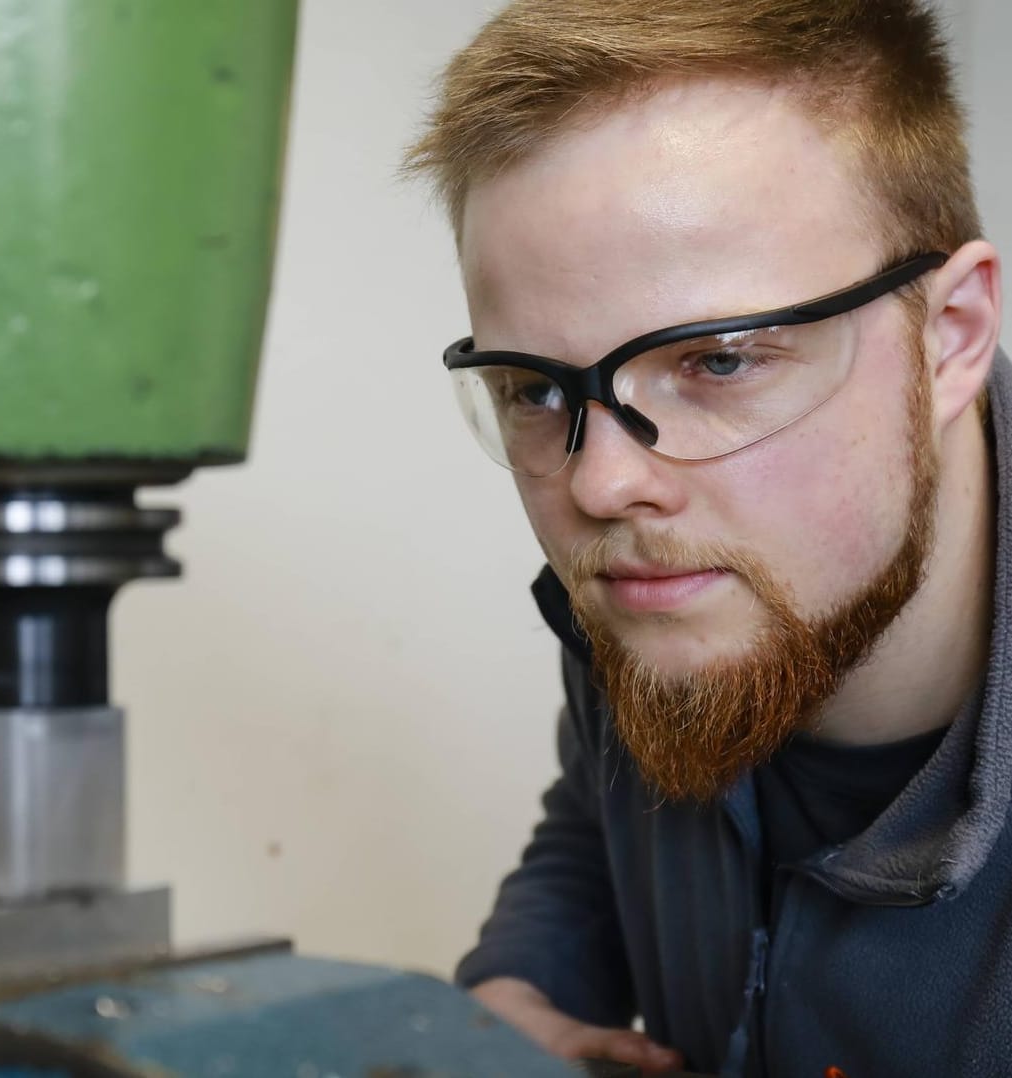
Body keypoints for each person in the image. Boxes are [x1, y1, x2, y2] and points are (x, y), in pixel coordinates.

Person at [405, 2, 1007, 1074]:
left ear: (950, 335)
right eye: (534, 389)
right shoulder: (677, 583)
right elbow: (603, 807)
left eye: (719, 362)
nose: (601, 484)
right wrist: (520, 987)